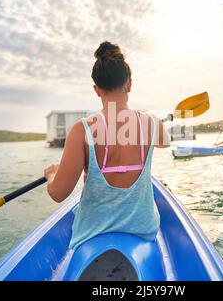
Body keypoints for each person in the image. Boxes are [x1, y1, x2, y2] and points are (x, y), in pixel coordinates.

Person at [43, 41, 170, 250]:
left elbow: (58, 194)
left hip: (93, 234)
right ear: (129, 84)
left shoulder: (81, 130)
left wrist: (53, 175)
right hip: (143, 230)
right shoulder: (152, 123)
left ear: (96, 90)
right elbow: (165, 142)